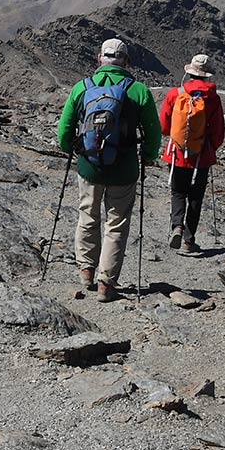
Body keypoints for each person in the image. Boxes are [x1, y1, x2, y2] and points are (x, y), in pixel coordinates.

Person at [57, 38, 161, 302]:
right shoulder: (138, 91)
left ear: (99, 58)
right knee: (116, 224)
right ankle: (106, 284)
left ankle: (86, 271)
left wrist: (77, 150)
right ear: (125, 61)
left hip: (89, 167)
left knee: (87, 216)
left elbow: (64, 133)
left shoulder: (82, 88)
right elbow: (153, 132)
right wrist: (147, 157)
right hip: (124, 169)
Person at [159, 54, 225, 253]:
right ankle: (189, 240)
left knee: (178, 192)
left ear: (189, 72)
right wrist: (210, 148)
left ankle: (177, 226)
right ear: (207, 76)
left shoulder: (175, 94)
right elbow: (218, 132)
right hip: (201, 157)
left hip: (177, 154)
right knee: (196, 197)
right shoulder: (213, 99)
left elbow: (163, 126)